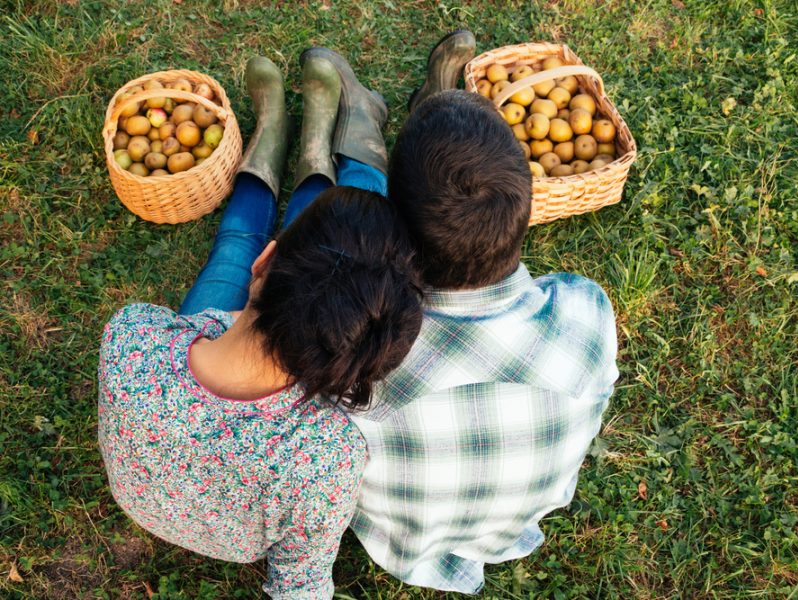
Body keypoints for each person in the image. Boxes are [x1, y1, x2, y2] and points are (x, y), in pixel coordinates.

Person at [98, 53, 423, 599]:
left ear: (265, 263)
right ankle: (312, 147)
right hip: (231, 520)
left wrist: (221, 321)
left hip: (150, 480)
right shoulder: (327, 461)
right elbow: (301, 586)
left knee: (235, 245)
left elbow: (200, 323)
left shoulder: (132, 338)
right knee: (286, 248)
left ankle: (273, 142)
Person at [346, 32, 619, 594]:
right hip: (506, 531)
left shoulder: (359, 357)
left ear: (397, 232)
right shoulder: (586, 317)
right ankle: (386, 120)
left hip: (400, 541)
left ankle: (359, 134)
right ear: (526, 205)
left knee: (349, 210)